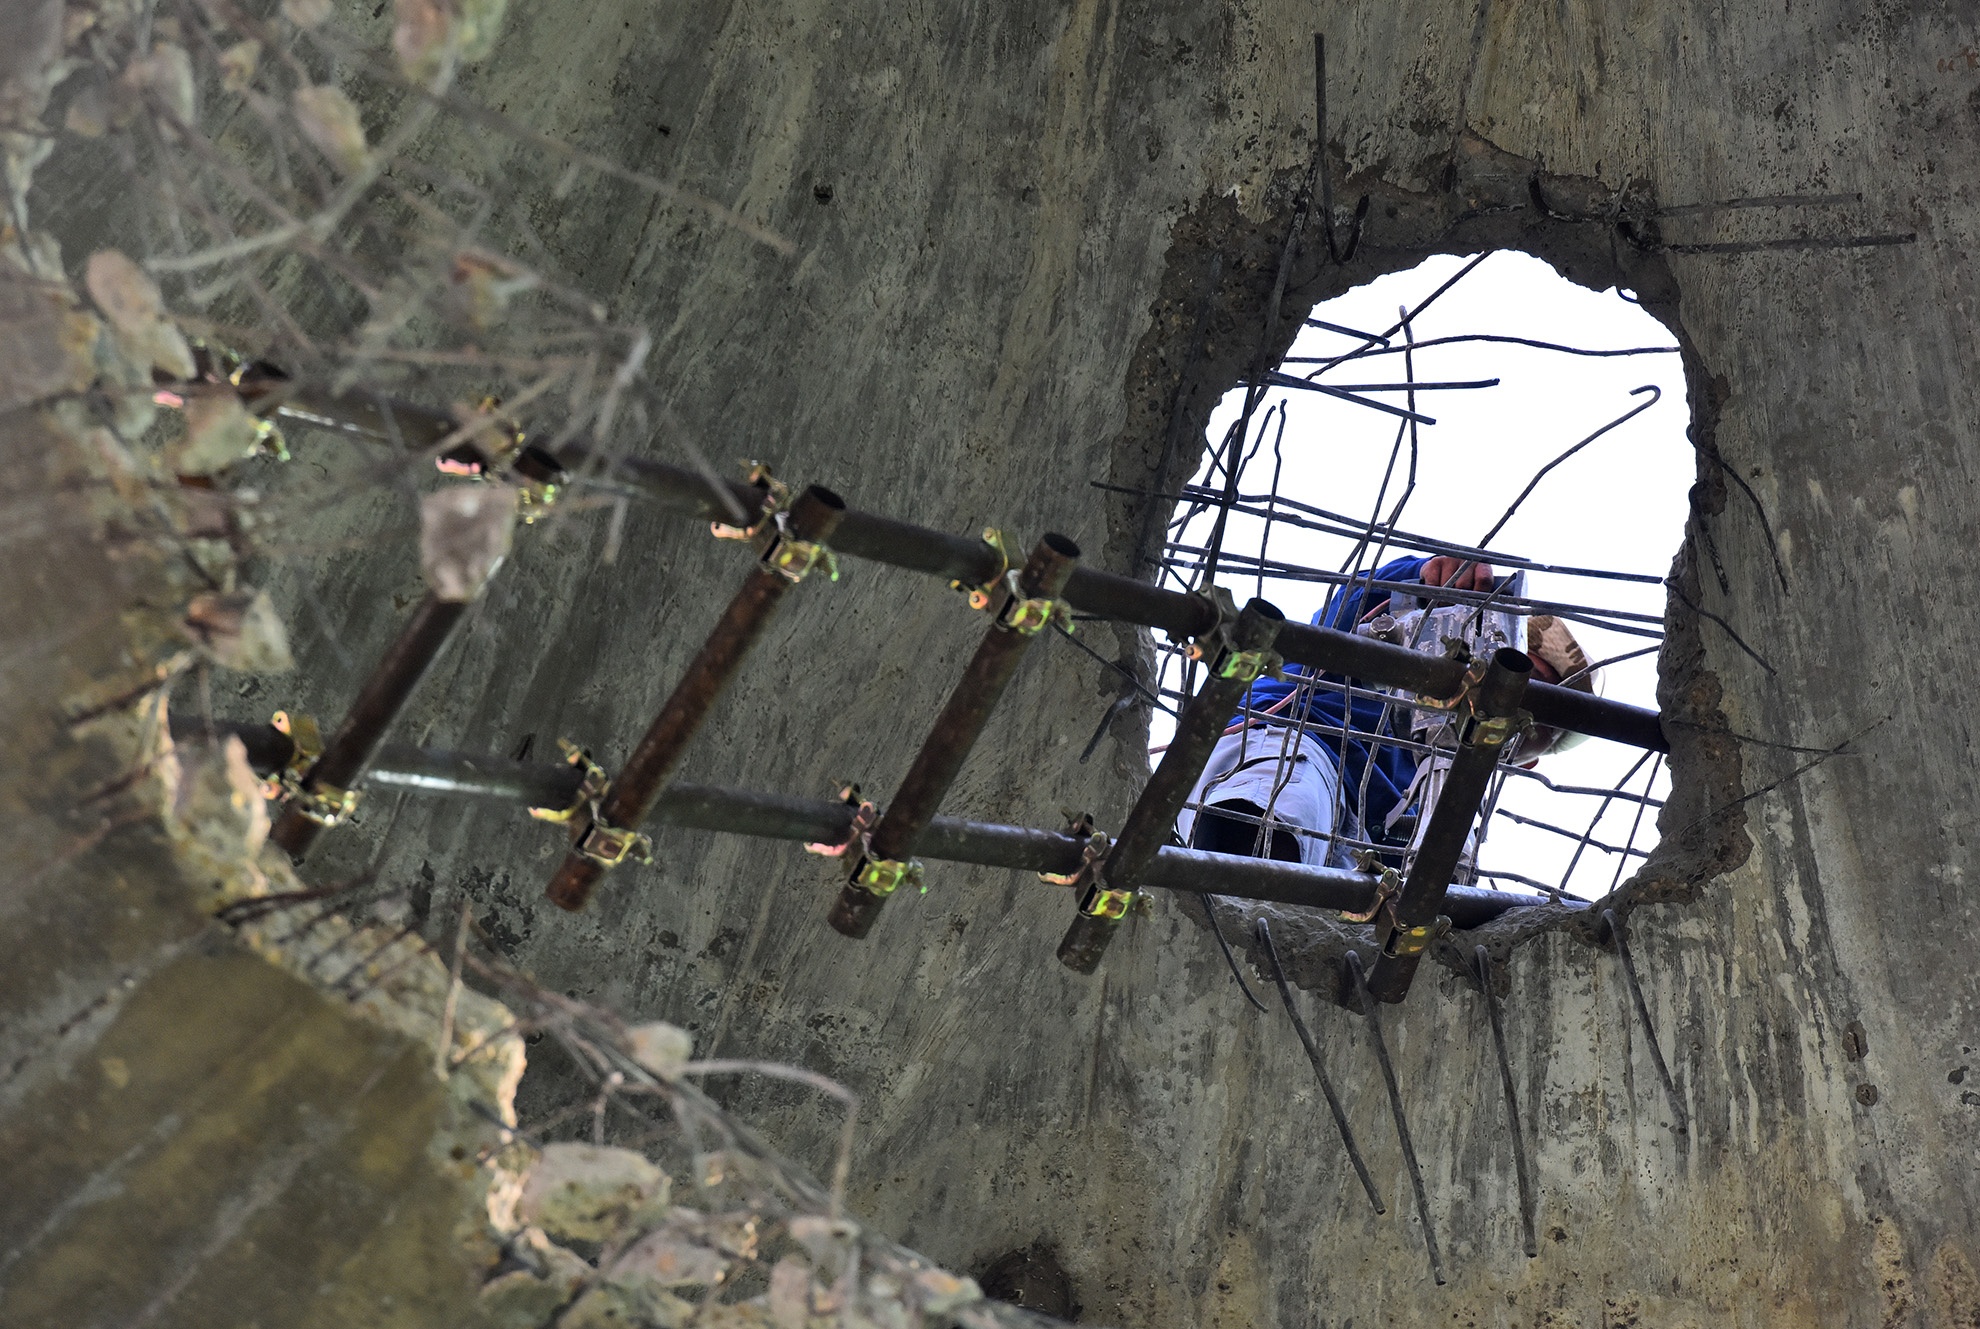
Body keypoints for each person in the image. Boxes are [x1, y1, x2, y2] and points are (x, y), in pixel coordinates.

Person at [1176, 553, 1590, 869]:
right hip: (1299, 742)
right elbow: (1362, 600)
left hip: (1353, 843)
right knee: (1289, 799)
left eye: (1540, 713)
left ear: (1529, 763)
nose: (1515, 699)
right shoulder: (1405, 650)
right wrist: (1430, 579)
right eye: (1524, 677)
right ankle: (1226, 901)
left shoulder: (1431, 795)